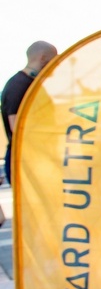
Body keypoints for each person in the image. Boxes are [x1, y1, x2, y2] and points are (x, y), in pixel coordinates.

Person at [2, 40, 58, 182]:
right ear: (43, 58)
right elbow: (17, 126)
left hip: (37, 158)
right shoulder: (19, 85)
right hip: (25, 160)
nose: (56, 65)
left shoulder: (33, 84)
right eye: (54, 59)